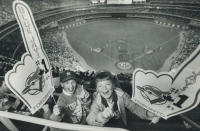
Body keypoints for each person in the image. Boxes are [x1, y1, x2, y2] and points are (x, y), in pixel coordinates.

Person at [86, 71, 158, 128]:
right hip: (105, 127)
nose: (104, 88)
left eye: (107, 84)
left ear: (113, 85)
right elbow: (89, 119)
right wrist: (102, 116)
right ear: (97, 89)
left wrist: (148, 114)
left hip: (120, 125)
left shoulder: (122, 95)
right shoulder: (97, 100)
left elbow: (135, 107)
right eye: (100, 86)